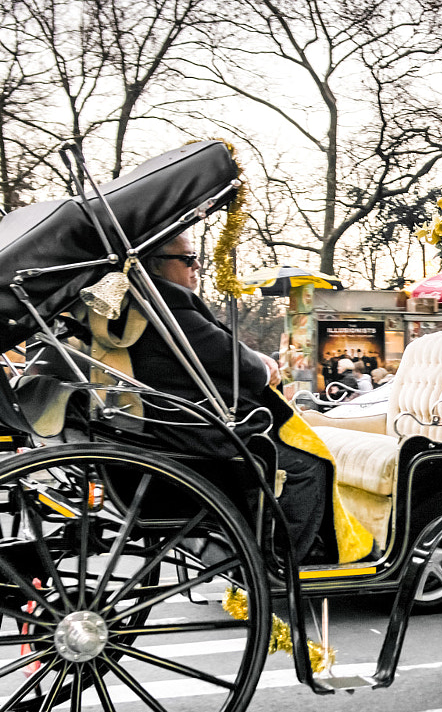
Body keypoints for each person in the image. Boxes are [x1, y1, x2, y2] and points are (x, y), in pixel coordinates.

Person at [127, 233, 331, 563]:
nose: (197, 265)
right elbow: (227, 356)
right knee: (307, 464)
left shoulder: (148, 305)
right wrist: (265, 369)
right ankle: (281, 559)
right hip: (198, 427)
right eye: (187, 259)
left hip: (174, 421)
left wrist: (253, 358)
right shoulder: (171, 305)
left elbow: (217, 349)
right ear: (155, 265)